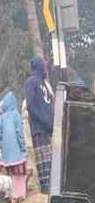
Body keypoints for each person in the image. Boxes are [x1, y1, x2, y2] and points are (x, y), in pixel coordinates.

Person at [23, 56, 53, 193]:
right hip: (39, 129)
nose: (46, 67)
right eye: (44, 65)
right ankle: (45, 190)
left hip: (48, 129)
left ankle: (50, 188)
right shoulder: (31, 82)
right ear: (39, 66)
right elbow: (30, 106)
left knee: (50, 161)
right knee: (44, 163)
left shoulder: (45, 83)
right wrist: (44, 121)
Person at [0, 90, 27, 202]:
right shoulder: (16, 115)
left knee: (10, 174)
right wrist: (23, 148)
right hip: (16, 153)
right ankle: (18, 195)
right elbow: (19, 134)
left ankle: (10, 195)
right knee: (18, 174)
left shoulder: (2, 118)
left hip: (6, 155)